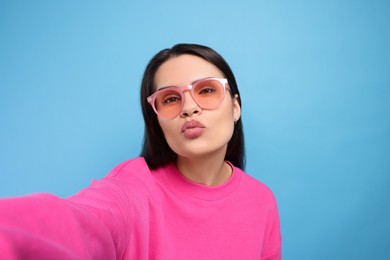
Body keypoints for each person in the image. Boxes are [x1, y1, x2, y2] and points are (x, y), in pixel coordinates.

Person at [0, 43, 282, 259]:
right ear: (157, 121)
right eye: (170, 98)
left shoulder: (262, 200)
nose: (189, 107)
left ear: (235, 107)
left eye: (206, 90)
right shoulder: (132, 188)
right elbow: (81, 220)